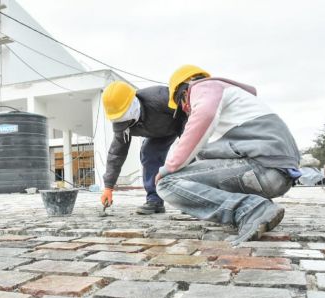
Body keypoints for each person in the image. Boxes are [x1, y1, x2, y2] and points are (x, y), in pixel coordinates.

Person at [155, 65, 301, 245]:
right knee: (196, 162)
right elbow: (205, 153)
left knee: (167, 183)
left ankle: (251, 209)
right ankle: (256, 206)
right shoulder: (234, 100)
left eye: (182, 105)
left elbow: (200, 125)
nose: (186, 110)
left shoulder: (204, 87)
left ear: (184, 92)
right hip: (278, 174)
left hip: (263, 167)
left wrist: (167, 169)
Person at [99, 81, 187, 214]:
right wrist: (108, 187)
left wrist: (188, 140)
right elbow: (116, 154)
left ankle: (191, 201)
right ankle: (154, 200)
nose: (123, 123)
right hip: (157, 134)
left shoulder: (160, 97)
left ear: (132, 104)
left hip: (181, 122)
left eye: (124, 119)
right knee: (148, 153)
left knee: (188, 155)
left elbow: (187, 111)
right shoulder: (122, 125)